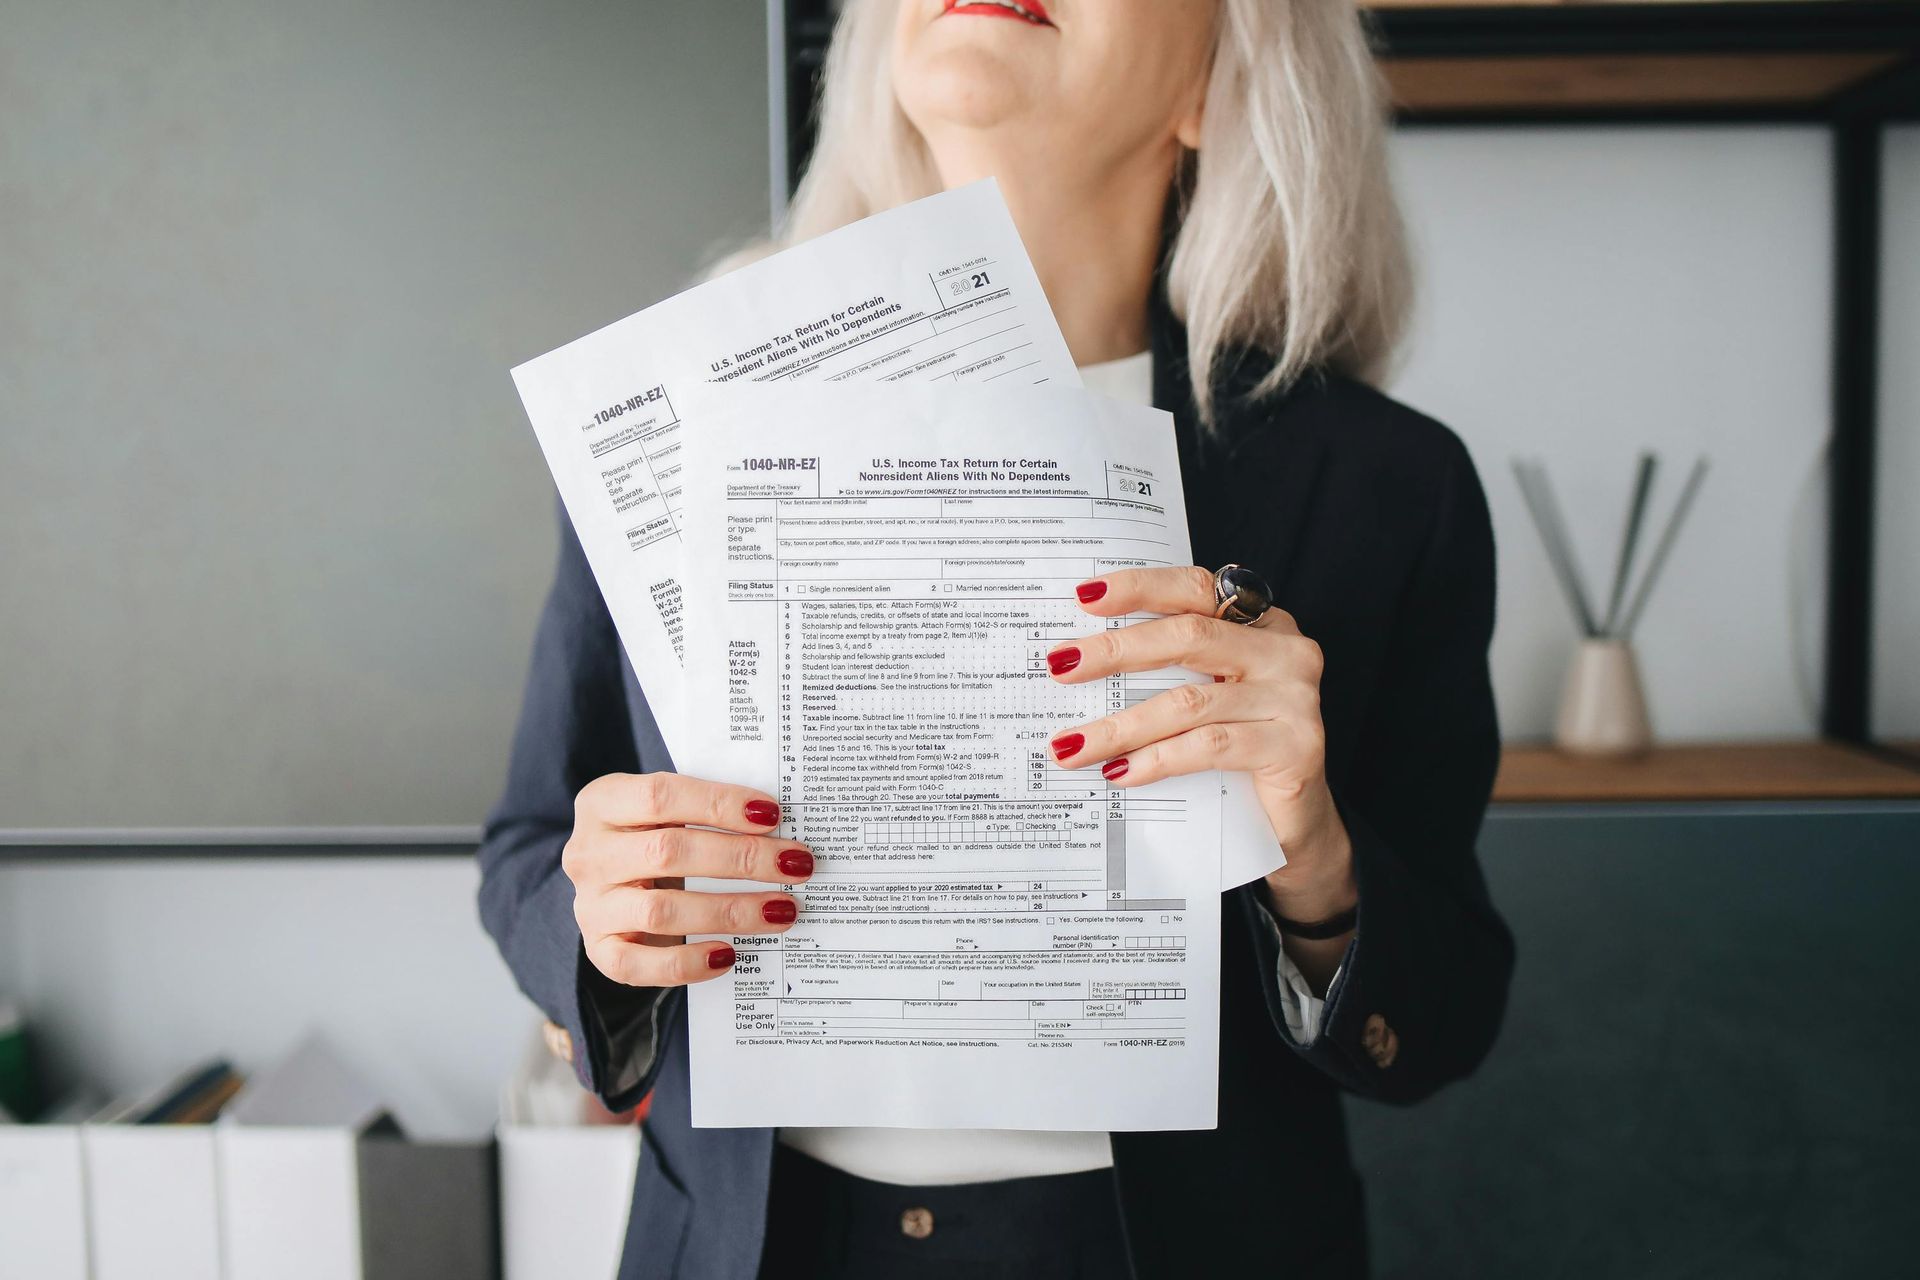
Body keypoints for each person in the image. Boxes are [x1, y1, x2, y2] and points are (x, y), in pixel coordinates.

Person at [479, 1, 1514, 1275]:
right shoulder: (679, 411)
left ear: (1211, 82)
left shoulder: (1382, 487)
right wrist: (606, 921)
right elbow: (531, 843)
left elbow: (1446, 1017)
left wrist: (1315, 858)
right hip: (754, 1243)